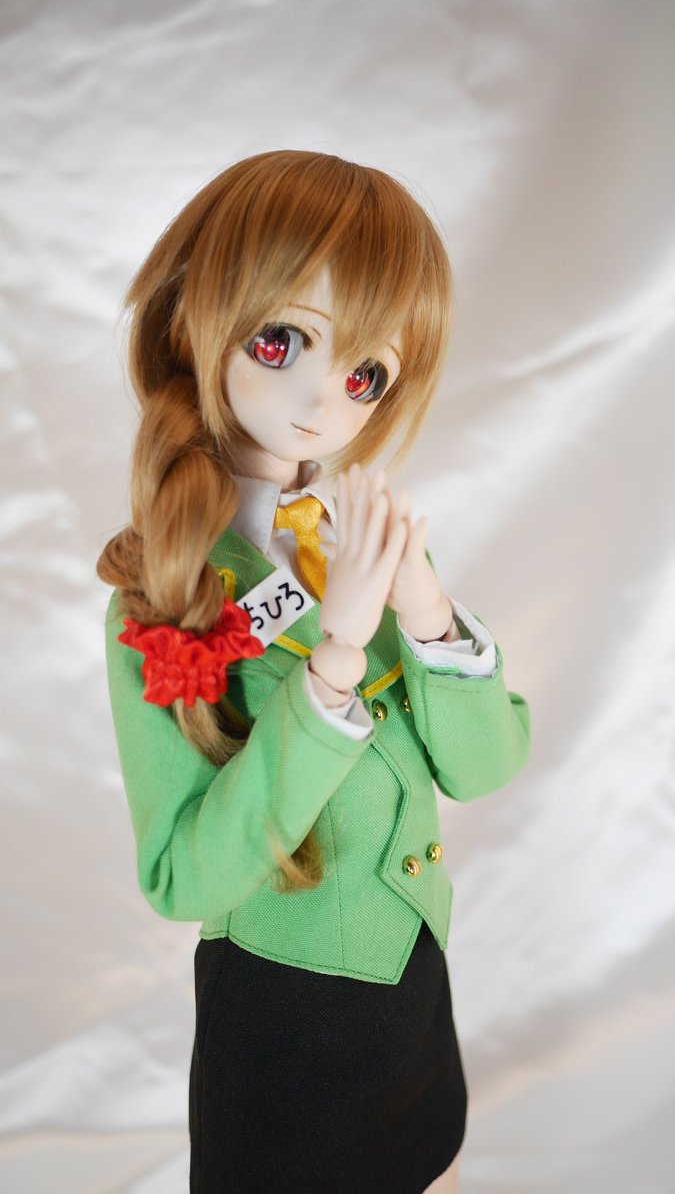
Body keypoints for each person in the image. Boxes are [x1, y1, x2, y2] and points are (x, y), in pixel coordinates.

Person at [98, 150, 531, 1194]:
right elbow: (184, 876)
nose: (319, 401)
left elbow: (484, 767)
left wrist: (423, 610)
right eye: (279, 340)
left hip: (411, 981)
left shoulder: (349, 538)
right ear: (197, 319)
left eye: (363, 374)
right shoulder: (164, 597)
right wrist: (332, 666)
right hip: (285, 1015)